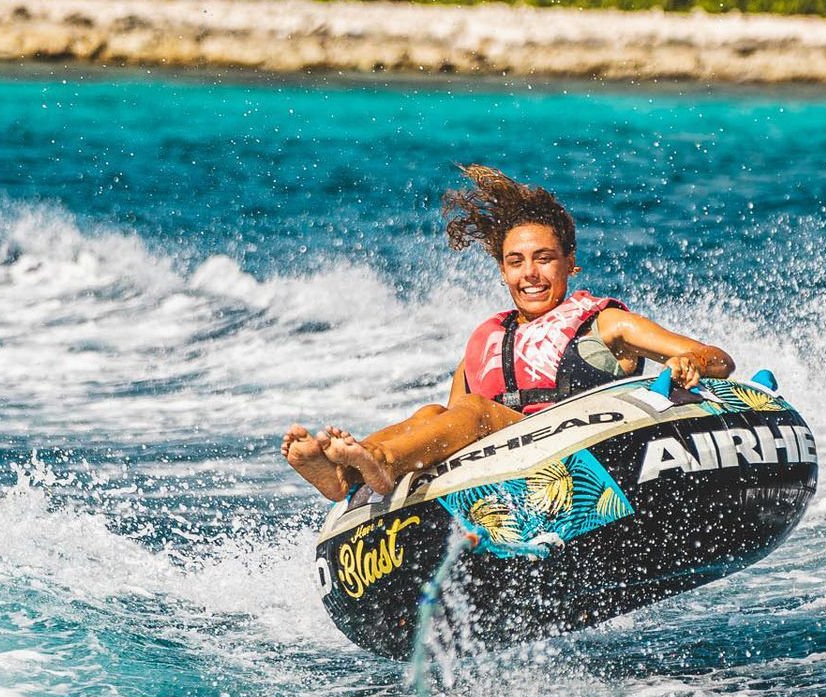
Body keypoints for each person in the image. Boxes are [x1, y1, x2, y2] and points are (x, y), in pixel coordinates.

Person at [282, 165, 734, 500]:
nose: (530, 274)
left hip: (581, 458)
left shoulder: (606, 322)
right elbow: (446, 425)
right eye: (516, 262)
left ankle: (380, 463)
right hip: (503, 476)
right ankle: (348, 474)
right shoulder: (488, 340)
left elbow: (717, 358)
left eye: (544, 258)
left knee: (476, 411)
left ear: (570, 262)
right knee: (429, 412)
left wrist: (689, 362)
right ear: (502, 271)